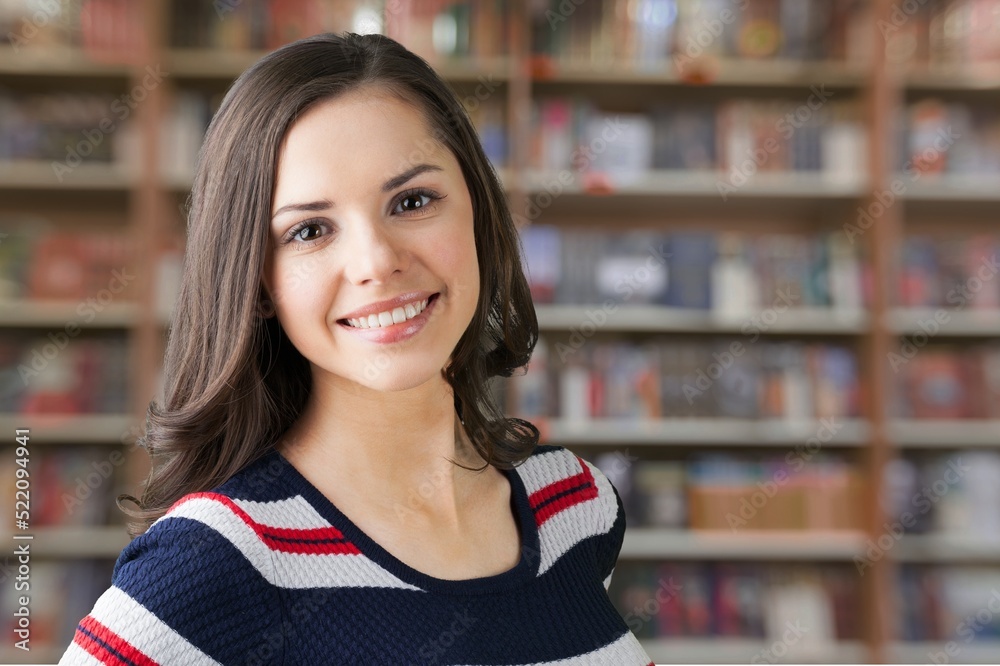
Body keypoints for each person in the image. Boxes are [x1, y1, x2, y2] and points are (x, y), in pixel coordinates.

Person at [58, 32, 651, 665]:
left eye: (413, 200)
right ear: (255, 281)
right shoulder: (216, 561)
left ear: (476, 210)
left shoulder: (575, 503)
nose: (375, 262)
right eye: (310, 230)